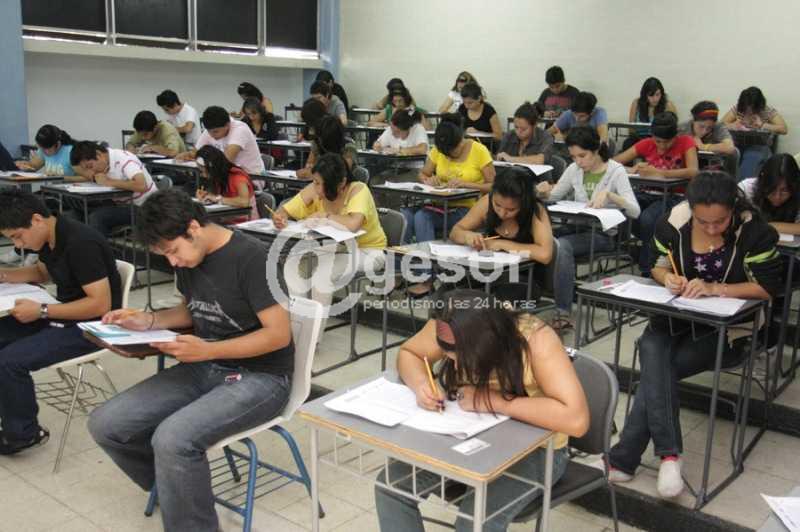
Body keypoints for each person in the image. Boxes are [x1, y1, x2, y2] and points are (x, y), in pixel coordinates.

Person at [88, 188, 294, 532]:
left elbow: (278, 335)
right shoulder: (191, 257)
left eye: (172, 251)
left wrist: (209, 350)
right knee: (107, 424)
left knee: (173, 440)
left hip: (262, 376)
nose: (173, 262)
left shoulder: (253, 258)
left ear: (194, 228)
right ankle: (178, 489)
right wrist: (148, 320)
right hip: (205, 364)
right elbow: (192, 309)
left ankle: (186, 507)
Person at [607, 171, 782, 498]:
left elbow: (768, 288)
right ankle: (669, 456)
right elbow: (656, 264)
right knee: (652, 345)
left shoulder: (755, 233)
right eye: (703, 222)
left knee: (658, 367)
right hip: (675, 318)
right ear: (691, 210)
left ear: (734, 209)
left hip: (729, 331)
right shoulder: (674, 224)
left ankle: (627, 458)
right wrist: (667, 278)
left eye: (720, 221)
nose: (712, 229)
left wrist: (716, 288)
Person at [374, 289, 589, 532]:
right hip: (469, 433)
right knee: (391, 487)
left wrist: (494, 401)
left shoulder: (536, 340)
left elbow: (576, 419)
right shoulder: (450, 322)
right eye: (449, 358)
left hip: (537, 449)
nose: (456, 367)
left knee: (475, 522)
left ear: (487, 346)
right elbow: (410, 353)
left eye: (462, 359)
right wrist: (421, 384)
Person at [0, 189, 121, 455]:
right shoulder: (50, 236)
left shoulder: (81, 243)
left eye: (17, 236)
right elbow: (42, 272)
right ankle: (9, 408)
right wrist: (5, 275)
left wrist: (41, 311)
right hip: (62, 313)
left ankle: (23, 434)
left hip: (94, 326)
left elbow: (100, 305)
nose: (18, 245)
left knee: (9, 361)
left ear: (36, 220)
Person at [537, 127, 640, 322]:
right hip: (577, 227)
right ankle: (537, 293)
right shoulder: (574, 169)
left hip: (603, 234)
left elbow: (635, 210)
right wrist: (542, 191)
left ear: (596, 150)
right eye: (573, 157)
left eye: (582, 156)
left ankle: (562, 310)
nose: (578, 161)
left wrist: (611, 195)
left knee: (562, 246)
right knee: (541, 238)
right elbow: (554, 195)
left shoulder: (616, 171)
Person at [273, 153, 386, 320]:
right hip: (333, 249)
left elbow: (353, 224)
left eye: (320, 184)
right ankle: (298, 322)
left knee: (323, 274)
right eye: (314, 182)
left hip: (368, 250)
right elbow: (285, 210)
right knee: (293, 264)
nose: (315, 188)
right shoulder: (315, 187)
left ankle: (313, 332)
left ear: (341, 183)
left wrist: (325, 216)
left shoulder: (358, 190)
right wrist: (280, 216)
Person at [402, 114, 495, 295]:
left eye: (453, 152)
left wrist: (467, 184)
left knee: (422, 217)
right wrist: (429, 180)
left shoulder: (479, 151)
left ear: (460, 141)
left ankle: (427, 279)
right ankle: (400, 271)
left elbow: (493, 186)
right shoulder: (439, 150)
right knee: (404, 216)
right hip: (439, 204)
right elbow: (423, 173)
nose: (450, 156)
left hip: (467, 209)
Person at [614, 112, 699, 275]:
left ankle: (648, 268)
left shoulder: (686, 142)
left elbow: (693, 171)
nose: (662, 146)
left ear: (675, 136)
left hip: (675, 196)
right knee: (622, 209)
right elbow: (613, 163)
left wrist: (660, 173)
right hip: (647, 192)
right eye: (658, 141)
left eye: (667, 142)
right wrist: (632, 169)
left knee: (648, 219)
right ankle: (647, 248)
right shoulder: (647, 143)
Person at [450, 166, 553, 264]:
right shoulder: (487, 202)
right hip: (490, 269)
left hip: (526, 272)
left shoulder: (535, 210)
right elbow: (455, 231)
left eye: (511, 209)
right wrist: (467, 236)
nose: (502, 213)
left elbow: (545, 255)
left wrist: (501, 244)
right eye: (497, 205)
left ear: (524, 203)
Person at [69, 141, 157, 236]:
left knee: (98, 217)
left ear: (98, 154)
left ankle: (98, 245)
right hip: (120, 203)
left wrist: (108, 181)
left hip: (144, 207)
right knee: (77, 210)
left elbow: (142, 185)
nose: (91, 171)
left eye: (90, 166)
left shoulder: (123, 159)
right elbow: (78, 169)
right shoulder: (103, 164)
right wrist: (65, 178)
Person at [176, 106, 265, 176]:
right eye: (209, 131)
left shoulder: (240, 129)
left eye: (216, 132)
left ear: (228, 124)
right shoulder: (212, 128)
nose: (212, 135)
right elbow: (195, 152)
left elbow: (225, 162)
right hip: (224, 175)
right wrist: (187, 155)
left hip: (250, 177)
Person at [722, 86, 788, 178]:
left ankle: (742, 186)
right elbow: (721, 124)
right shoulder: (738, 109)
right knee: (729, 152)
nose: (749, 112)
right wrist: (732, 125)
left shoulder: (767, 111)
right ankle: (726, 183)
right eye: (746, 109)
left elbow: (784, 129)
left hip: (759, 146)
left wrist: (762, 125)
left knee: (752, 155)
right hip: (739, 144)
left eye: (752, 109)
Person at [739, 153, 800, 235]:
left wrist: (764, 226)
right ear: (762, 181)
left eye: (784, 191)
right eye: (771, 189)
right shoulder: (746, 188)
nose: (777, 197)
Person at [195, 145, 257, 222]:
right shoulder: (218, 176)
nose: (202, 175)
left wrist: (217, 199)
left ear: (211, 167)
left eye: (203, 171)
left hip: (244, 221)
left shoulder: (237, 177)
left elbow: (244, 202)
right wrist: (206, 196)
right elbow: (216, 196)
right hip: (226, 218)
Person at [297, 114, 359, 180]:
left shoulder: (349, 146)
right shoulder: (318, 141)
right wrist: (307, 170)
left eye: (321, 137)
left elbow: (342, 173)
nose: (319, 140)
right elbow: (310, 163)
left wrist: (315, 174)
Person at [623, 77, 679, 151]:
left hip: (659, 140)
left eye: (657, 94)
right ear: (645, 95)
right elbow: (631, 129)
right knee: (627, 143)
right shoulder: (636, 103)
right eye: (651, 95)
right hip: (638, 138)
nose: (655, 99)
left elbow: (674, 129)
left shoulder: (668, 105)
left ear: (662, 93)